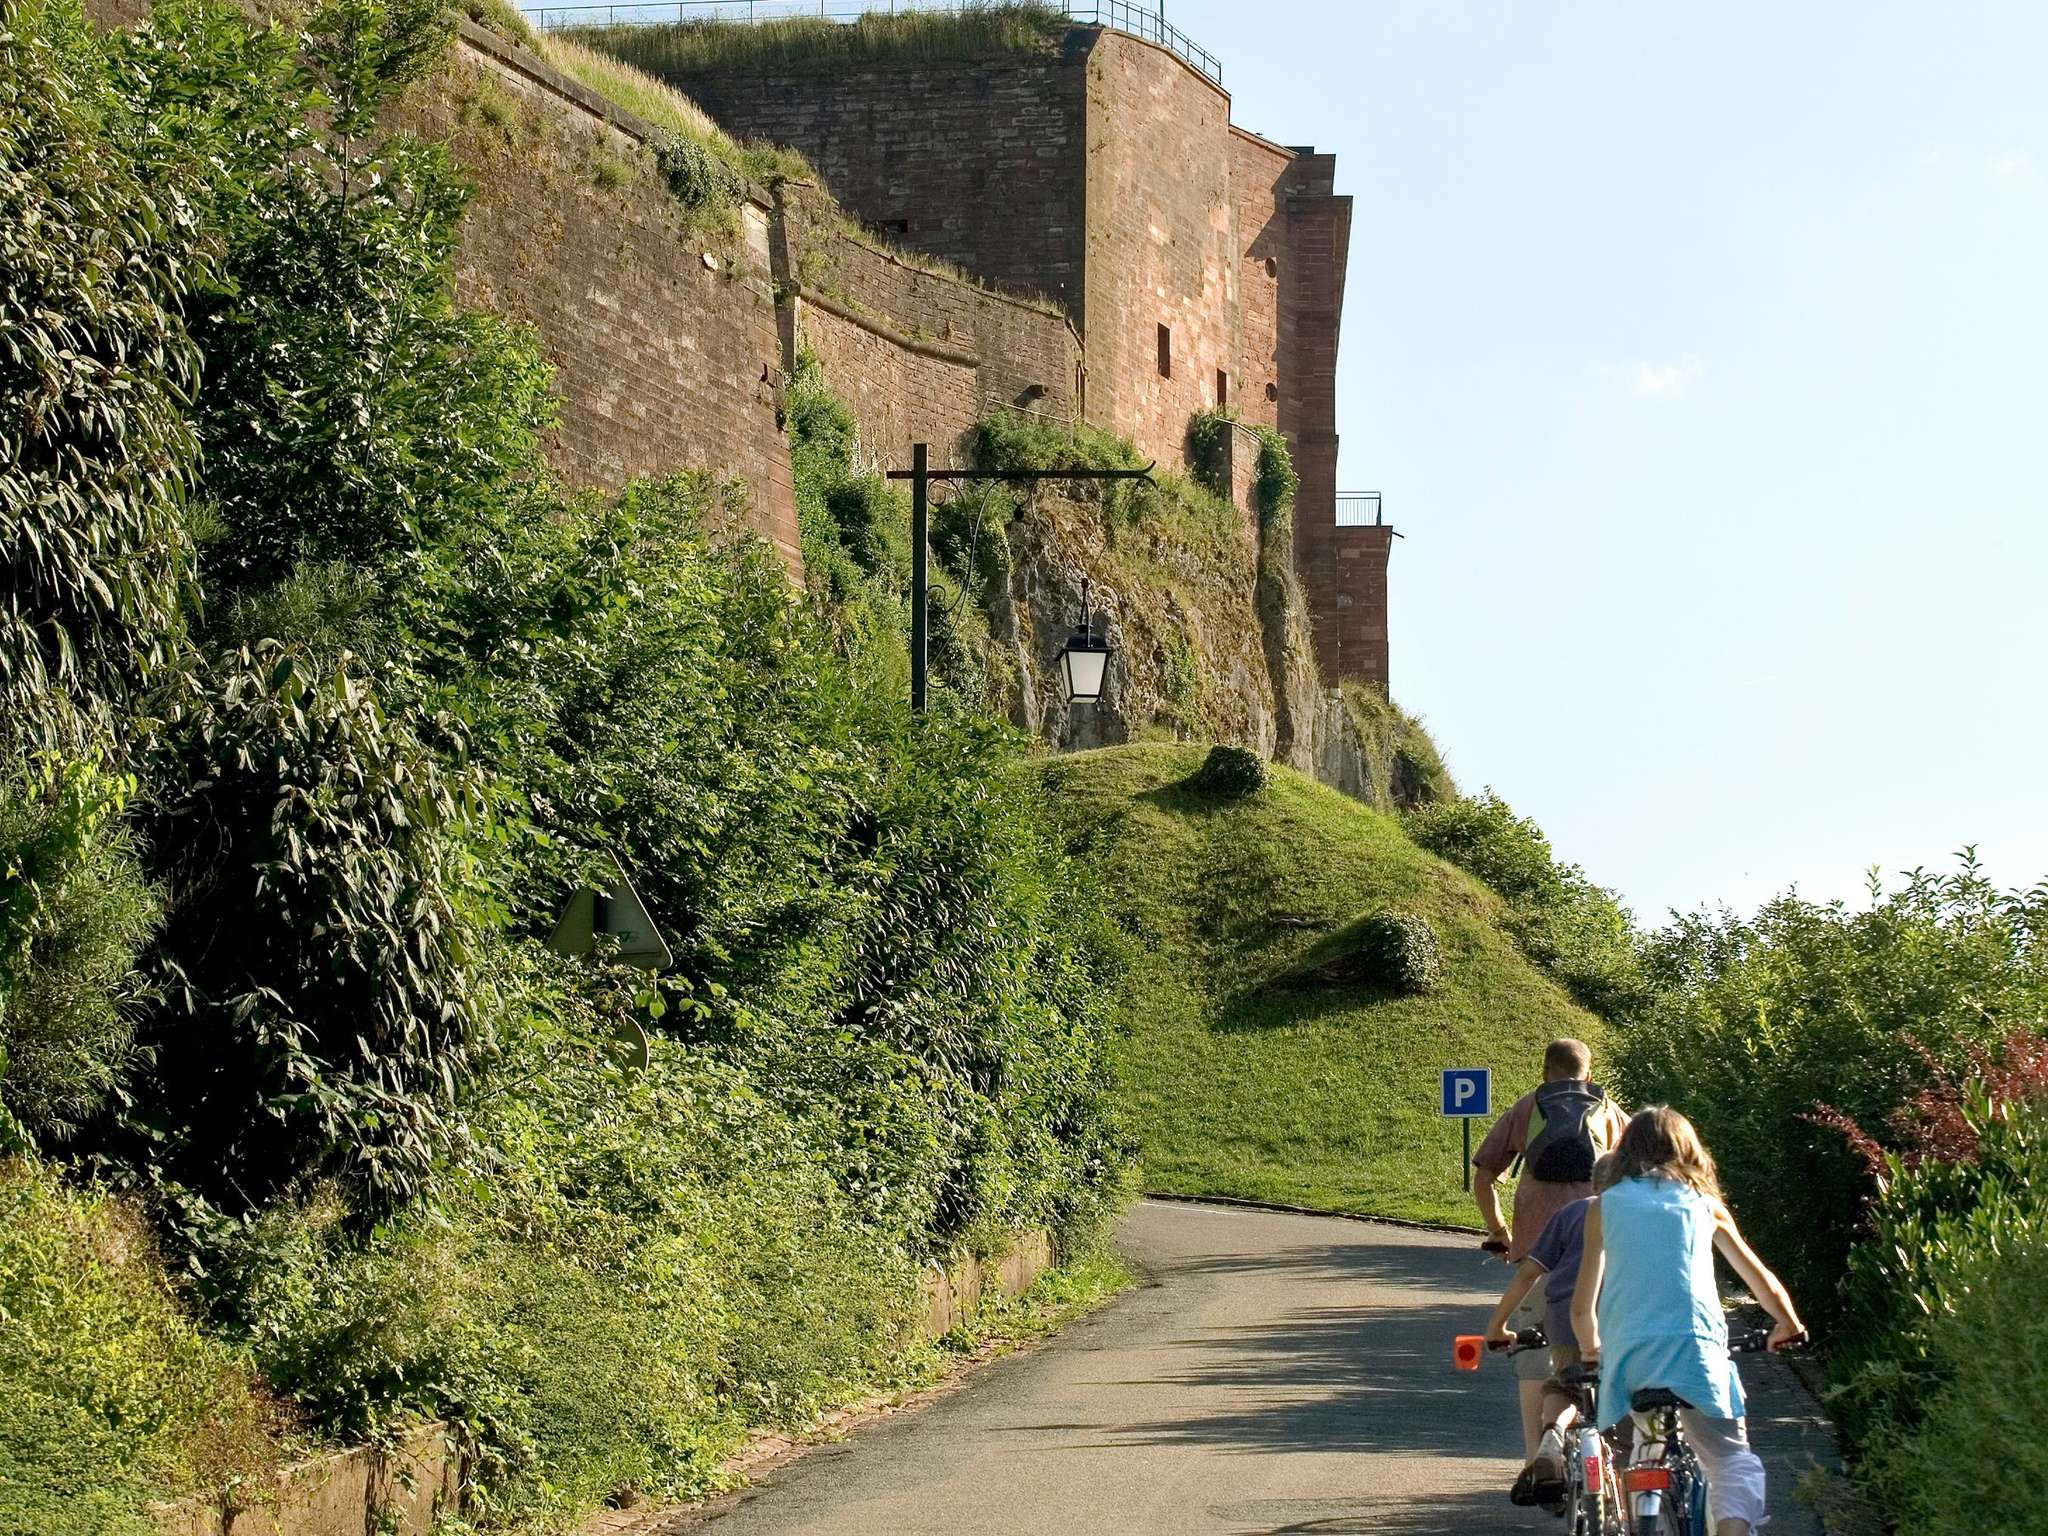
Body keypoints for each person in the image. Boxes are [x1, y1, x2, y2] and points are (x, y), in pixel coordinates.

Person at [1571, 1106, 1806, 1536]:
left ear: (1626, 1151)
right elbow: (1760, 1281)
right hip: (1698, 1353)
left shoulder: (1604, 1207)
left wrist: (1592, 1350)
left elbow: (1581, 1306)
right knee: (1729, 1456)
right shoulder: (1705, 1205)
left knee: (1647, 1446)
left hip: (1631, 1357)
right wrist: (1788, 1323)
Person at [1471, 1037, 1630, 1457]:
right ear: (1589, 1075)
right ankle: (1619, 1459)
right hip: (1602, 1250)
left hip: (1538, 1253)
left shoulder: (1527, 1108)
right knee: (1607, 1346)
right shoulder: (1609, 1112)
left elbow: (1484, 1175)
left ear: (1544, 1073)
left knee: (1535, 1361)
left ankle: (1537, 1457)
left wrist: (1499, 1230)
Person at [1483, 1152, 1621, 1508]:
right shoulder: (1642, 1216)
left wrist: (1497, 1325)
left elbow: (1527, 1275)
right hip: (1622, 1320)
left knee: (1566, 1386)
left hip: (1564, 1320)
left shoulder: (1573, 1213)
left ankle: (1553, 1433)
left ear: (1595, 1183)